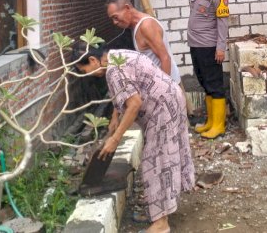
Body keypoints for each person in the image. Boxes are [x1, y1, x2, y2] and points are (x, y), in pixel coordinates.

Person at [74, 46, 194, 233]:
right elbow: (126, 89)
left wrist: (115, 138)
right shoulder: (117, 57)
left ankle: (161, 224)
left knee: (156, 162)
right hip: (170, 99)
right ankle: (159, 211)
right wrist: (115, 117)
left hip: (162, 109)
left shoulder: (114, 70)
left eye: (85, 71)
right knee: (165, 157)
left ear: (92, 60)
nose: (88, 75)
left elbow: (134, 103)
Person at [159, 0, 229, 139]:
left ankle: (219, 126)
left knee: (214, 84)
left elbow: (223, 24)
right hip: (196, 46)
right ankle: (210, 122)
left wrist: (220, 48)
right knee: (204, 82)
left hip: (210, 47)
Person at [105, 0, 180, 83]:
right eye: (112, 19)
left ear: (127, 8)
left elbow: (165, 58)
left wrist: (163, 88)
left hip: (166, 85)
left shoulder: (146, 26)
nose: (115, 22)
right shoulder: (133, 27)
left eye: (115, 17)